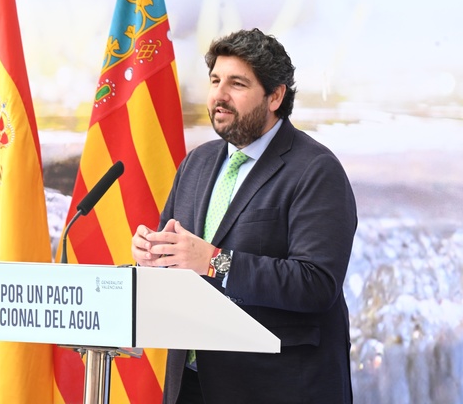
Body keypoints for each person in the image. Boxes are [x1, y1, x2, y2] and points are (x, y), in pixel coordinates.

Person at [131, 28, 357, 404]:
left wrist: (214, 261)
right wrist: (153, 254)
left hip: (276, 386)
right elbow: (179, 256)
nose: (219, 95)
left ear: (275, 96)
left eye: (237, 83)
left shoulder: (316, 170)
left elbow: (316, 284)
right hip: (191, 382)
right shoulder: (197, 163)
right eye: (215, 80)